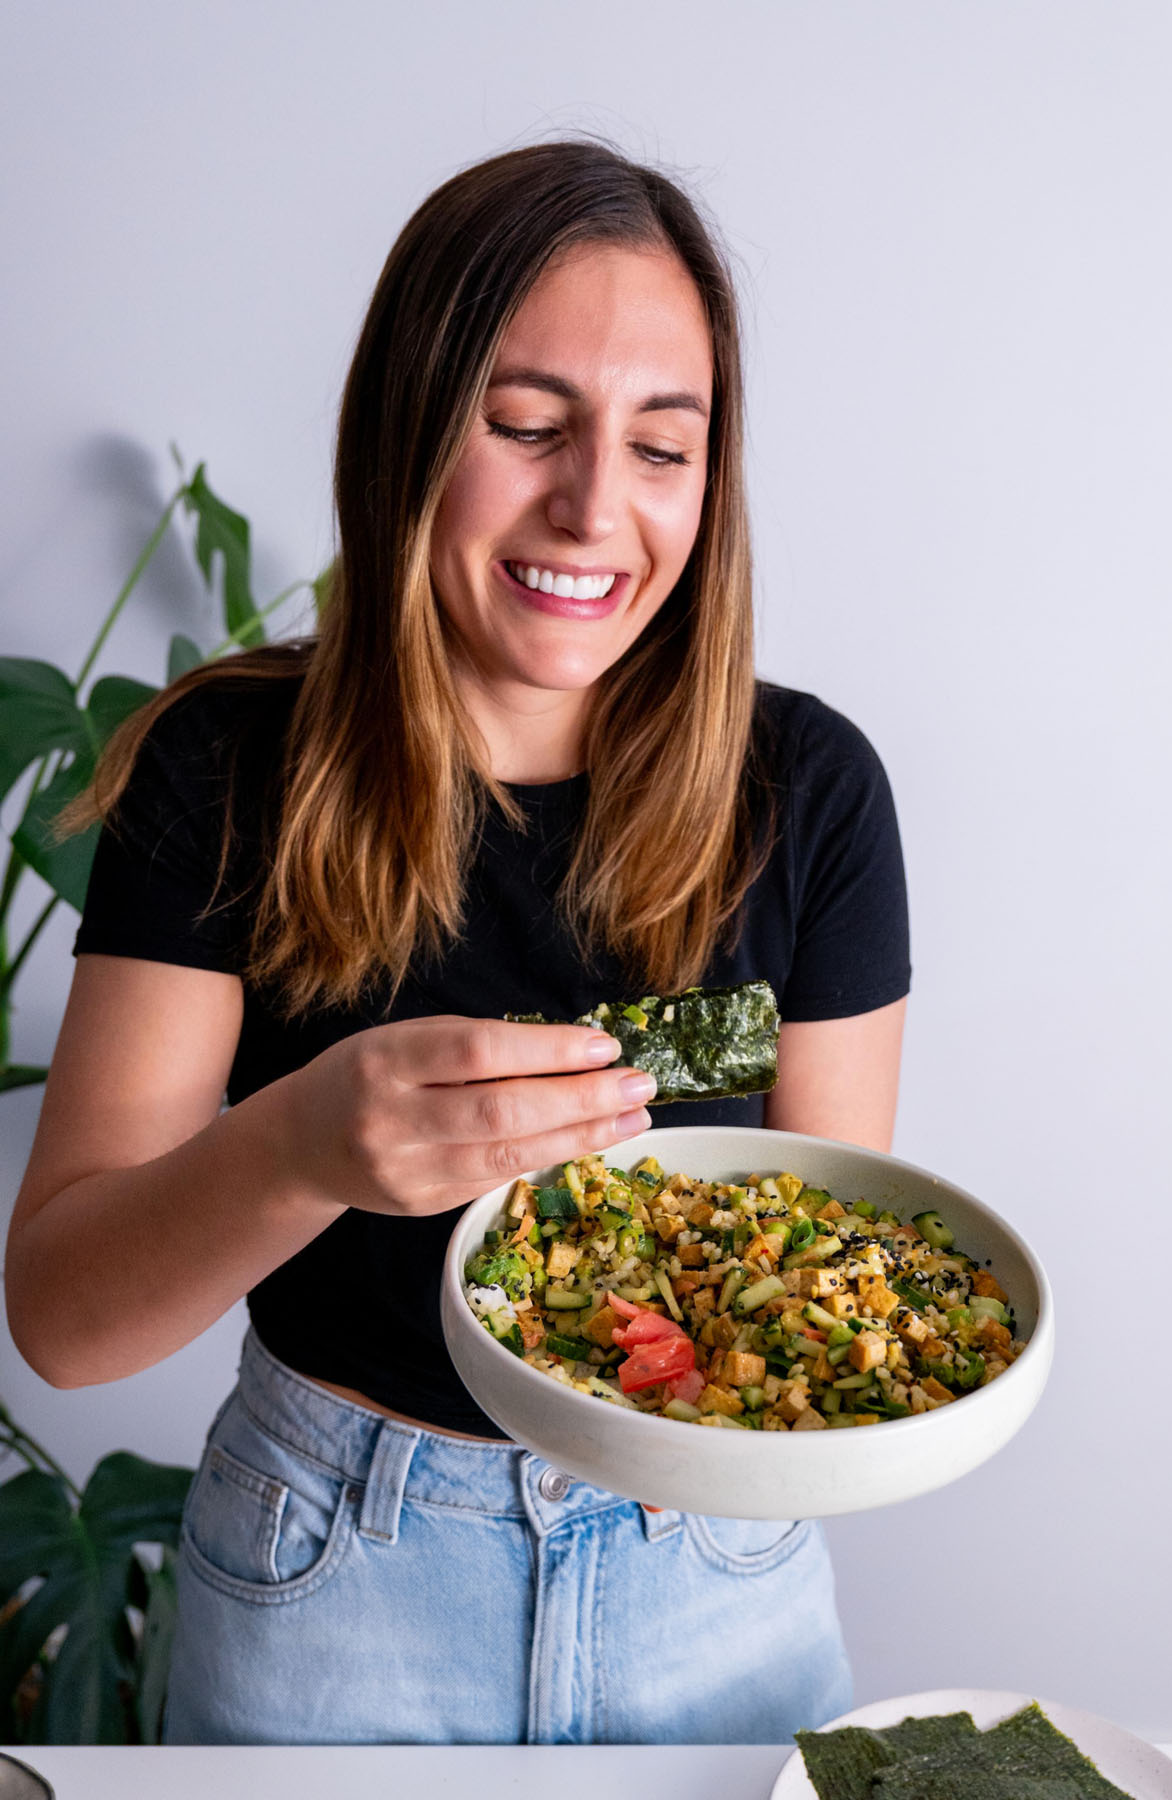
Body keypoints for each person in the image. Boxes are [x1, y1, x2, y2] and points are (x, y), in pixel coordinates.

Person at [5, 141, 909, 1745]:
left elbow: (836, 1266)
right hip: (333, 1570)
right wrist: (300, 1144)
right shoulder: (222, 772)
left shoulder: (812, 790)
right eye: (526, 425)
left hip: (717, 1573)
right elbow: (67, 1325)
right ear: (410, 423)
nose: (593, 505)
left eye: (662, 447)